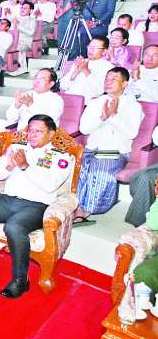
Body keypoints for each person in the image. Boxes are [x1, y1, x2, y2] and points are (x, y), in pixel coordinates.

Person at [0, 115, 73, 299]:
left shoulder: (60, 158)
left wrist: (25, 166)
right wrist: (9, 166)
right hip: (8, 200)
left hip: (36, 206)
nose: (32, 134)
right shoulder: (17, 148)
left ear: (51, 134)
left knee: (14, 227)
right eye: (30, 130)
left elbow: (50, 186)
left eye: (38, 131)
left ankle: (20, 280)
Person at [73, 67, 141, 225]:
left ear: (124, 83)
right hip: (92, 149)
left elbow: (131, 133)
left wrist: (113, 116)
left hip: (115, 151)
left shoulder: (133, 105)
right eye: (106, 79)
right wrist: (102, 118)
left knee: (100, 169)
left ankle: (84, 210)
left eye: (114, 79)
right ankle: (73, 205)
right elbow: (84, 129)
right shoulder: (95, 102)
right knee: (77, 167)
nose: (108, 82)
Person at [61, 36, 115, 100]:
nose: (90, 50)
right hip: (68, 98)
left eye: (94, 48)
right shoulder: (81, 62)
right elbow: (63, 86)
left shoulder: (108, 67)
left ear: (104, 51)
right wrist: (75, 73)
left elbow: (97, 91)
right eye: (90, 47)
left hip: (87, 102)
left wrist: (86, 70)